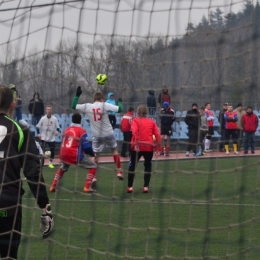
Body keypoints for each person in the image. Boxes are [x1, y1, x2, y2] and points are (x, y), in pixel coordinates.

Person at [0, 85, 53, 259]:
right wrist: (44, 206)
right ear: (13, 105)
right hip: (8, 202)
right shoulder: (20, 130)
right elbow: (32, 171)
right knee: (9, 255)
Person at [71, 86, 124, 180]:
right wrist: (120, 102)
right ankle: (119, 171)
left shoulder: (88, 106)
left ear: (94, 99)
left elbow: (73, 106)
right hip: (108, 133)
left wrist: (77, 95)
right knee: (114, 150)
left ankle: (93, 176)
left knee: (95, 155)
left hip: (97, 135)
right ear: (101, 99)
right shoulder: (104, 105)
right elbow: (119, 109)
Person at [50, 112, 97, 193]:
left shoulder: (66, 130)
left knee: (63, 168)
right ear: (80, 121)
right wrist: (93, 154)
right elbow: (86, 147)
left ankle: (53, 186)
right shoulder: (82, 131)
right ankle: (87, 187)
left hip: (63, 153)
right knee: (93, 166)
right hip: (74, 154)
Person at [127, 105, 161, 193]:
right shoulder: (152, 122)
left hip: (137, 147)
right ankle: (146, 186)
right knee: (148, 165)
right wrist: (157, 149)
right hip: (148, 146)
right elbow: (157, 135)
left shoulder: (135, 120)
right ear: (146, 113)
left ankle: (130, 187)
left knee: (132, 166)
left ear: (137, 112)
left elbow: (135, 132)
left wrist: (136, 143)